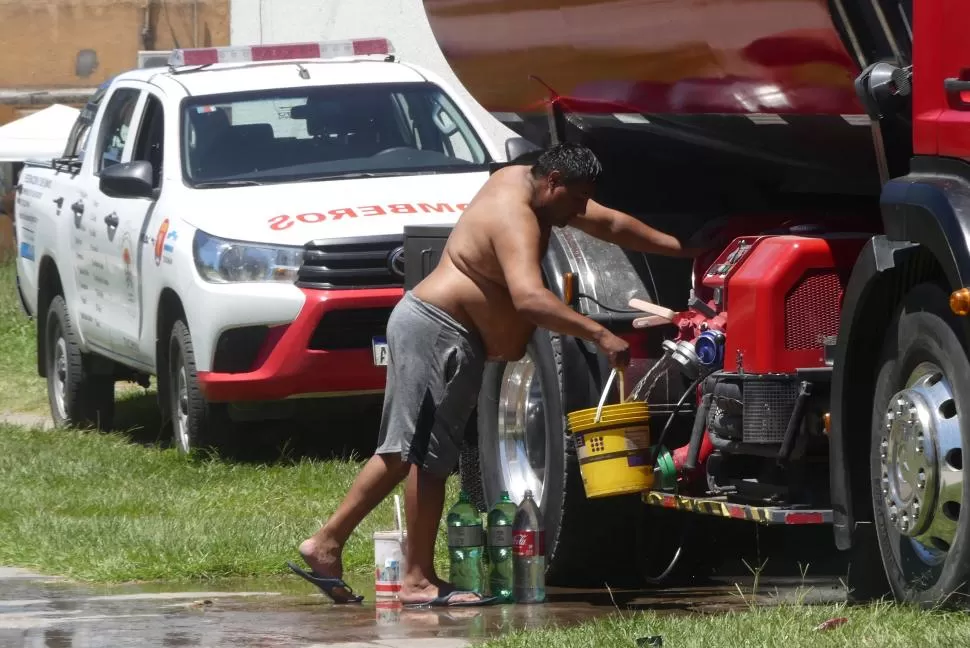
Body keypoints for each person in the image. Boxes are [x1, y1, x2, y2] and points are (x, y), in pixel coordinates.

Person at [288, 142, 699, 607]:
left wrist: (686, 249)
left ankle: (328, 543)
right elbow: (529, 297)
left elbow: (610, 223)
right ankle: (413, 577)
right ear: (553, 182)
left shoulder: (536, 186)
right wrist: (601, 335)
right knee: (422, 456)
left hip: (451, 335)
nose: (582, 209)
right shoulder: (515, 214)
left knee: (410, 452)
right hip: (437, 330)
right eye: (576, 198)